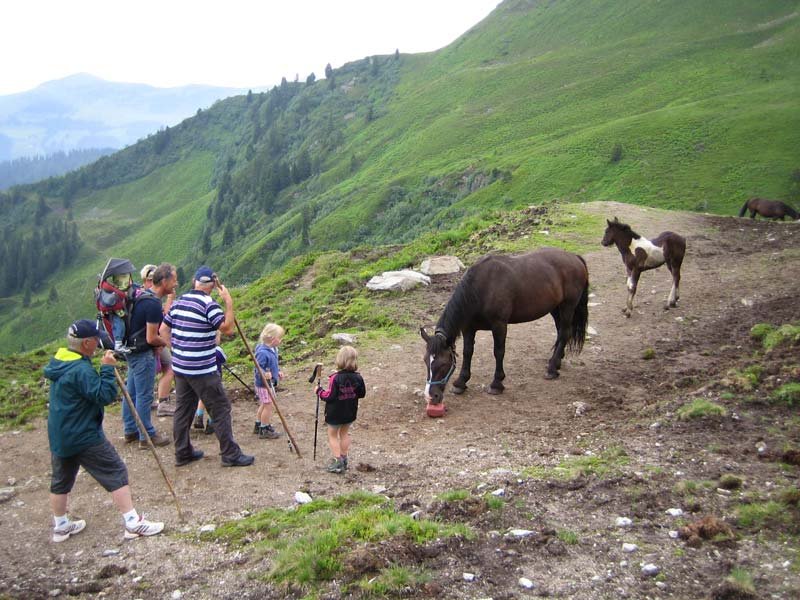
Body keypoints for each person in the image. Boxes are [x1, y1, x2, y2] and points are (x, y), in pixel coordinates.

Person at [45, 319, 164, 542]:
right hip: (83, 434)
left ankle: (60, 526)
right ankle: (132, 523)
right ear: (87, 343)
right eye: (96, 338)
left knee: (61, 479)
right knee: (115, 471)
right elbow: (104, 395)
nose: (100, 341)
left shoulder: (60, 362)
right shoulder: (80, 370)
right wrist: (108, 369)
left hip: (60, 433)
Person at [163, 266, 254, 467]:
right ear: (212, 286)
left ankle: (182, 453)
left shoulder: (179, 303)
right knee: (220, 408)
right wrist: (229, 302)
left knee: (183, 409)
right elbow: (228, 328)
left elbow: (163, 331)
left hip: (181, 367)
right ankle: (230, 455)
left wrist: (178, 350)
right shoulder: (208, 304)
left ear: (195, 282)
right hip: (202, 369)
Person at [122, 263, 176, 449]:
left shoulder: (141, 295)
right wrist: (167, 343)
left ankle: (130, 430)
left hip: (130, 349)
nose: (175, 284)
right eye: (174, 280)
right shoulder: (153, 303)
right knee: (144, 395)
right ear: (164, 281)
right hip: (143, 353)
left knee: (132, 392)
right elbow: (151, 337)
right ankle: (147, 436)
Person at [316, 345, 366, 474]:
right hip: (350, 411)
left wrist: (319, 392)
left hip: (335, 413)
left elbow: (330, 396)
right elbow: (362, 393)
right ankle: (344, 458)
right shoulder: (358, 377)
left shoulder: (335, 378)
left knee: (332, 435)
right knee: (344, 433)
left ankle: (338, 462)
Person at [139, 264, 177, 417]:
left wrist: (170, 298)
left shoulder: (144, 296)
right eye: (148, 279)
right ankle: (162, 403)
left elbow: (165, 315)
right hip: (155, 341)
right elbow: (153, 333)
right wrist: (165, 343)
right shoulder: (151, 300)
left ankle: (153, 403)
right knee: (169, 368)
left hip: (152, 341)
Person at [253, 323, 284, 440]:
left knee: (264, 404)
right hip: (263, 385)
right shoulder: (262, 352)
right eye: (279, 338)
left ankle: (258, 424)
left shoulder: (273, 349)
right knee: (268, 405)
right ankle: (264, 428)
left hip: (269, 382)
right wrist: (264, 374)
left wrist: (278, 372)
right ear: (272, 339)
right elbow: (258, 369)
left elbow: (273, 364)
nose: (281, 340)